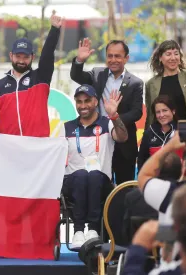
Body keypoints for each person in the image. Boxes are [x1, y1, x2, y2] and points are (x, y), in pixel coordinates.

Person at [60, 84, 128, 248]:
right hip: (73, 182)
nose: (83, 106)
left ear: (96, 102)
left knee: (93, 175)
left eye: (87, 101)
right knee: (82, 175)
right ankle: (78, 232)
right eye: (79, 101)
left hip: (100, 181)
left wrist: (115, 116)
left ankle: (92, 230)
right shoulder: (67, 127)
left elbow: (122, 137)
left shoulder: (106, 123)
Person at [0, 12, 62, 137]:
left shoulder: (41, 78)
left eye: (25, 57)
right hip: (10, 147)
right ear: (11, 56)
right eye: (18, 56)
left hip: (37, 147)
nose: (21, 61)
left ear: (32, 57)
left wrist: (54, 30)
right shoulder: (0, 86)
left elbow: (47, 55)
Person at [70, 39, 144, 185]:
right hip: (97, 141)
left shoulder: (135, 83)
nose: (113, 60)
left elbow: (136, 112)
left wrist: (113, 120)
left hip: (124, 143)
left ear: (126, 58)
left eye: (117, 56)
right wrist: (79, 60)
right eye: (110, 56)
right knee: (98, 184)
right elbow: (76, 76)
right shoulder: (97, 74)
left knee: (124, 187)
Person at [137, 74, 186, 171]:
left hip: (178, 179)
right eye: (158, 112)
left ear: (173, 111)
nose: (161, 115)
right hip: (155, 179)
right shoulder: (149, 132)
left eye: (165, 110)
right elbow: (142, 159)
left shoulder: (182, 129)